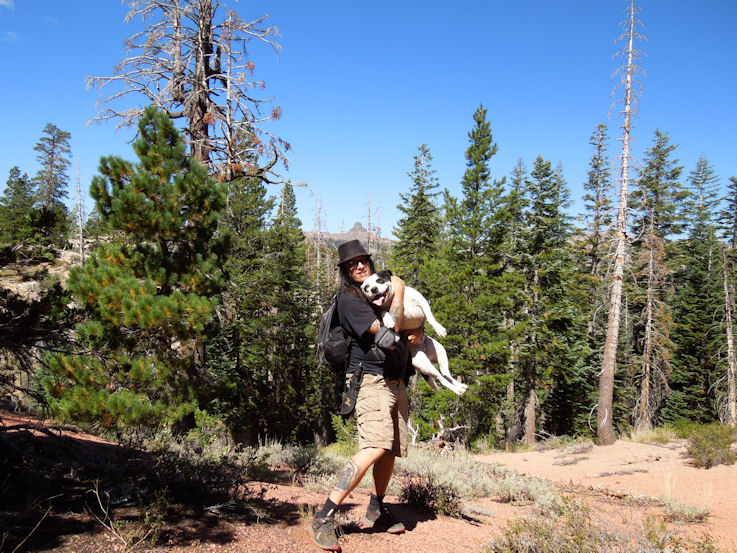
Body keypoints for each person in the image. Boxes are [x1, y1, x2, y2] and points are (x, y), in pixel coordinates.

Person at [311, 239, 412, 552]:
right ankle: (324, 515)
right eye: (351, 264)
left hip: (395, 381)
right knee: (374, 446)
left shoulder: (376, 294)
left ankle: (376, 509)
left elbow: (403, 331)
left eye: (362, 260)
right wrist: (400, 291)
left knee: (389, 450)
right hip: (370, 381)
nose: (358, 266)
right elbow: (386, 336)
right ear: (345, 271)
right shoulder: (349, 300)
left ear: (369, 262)